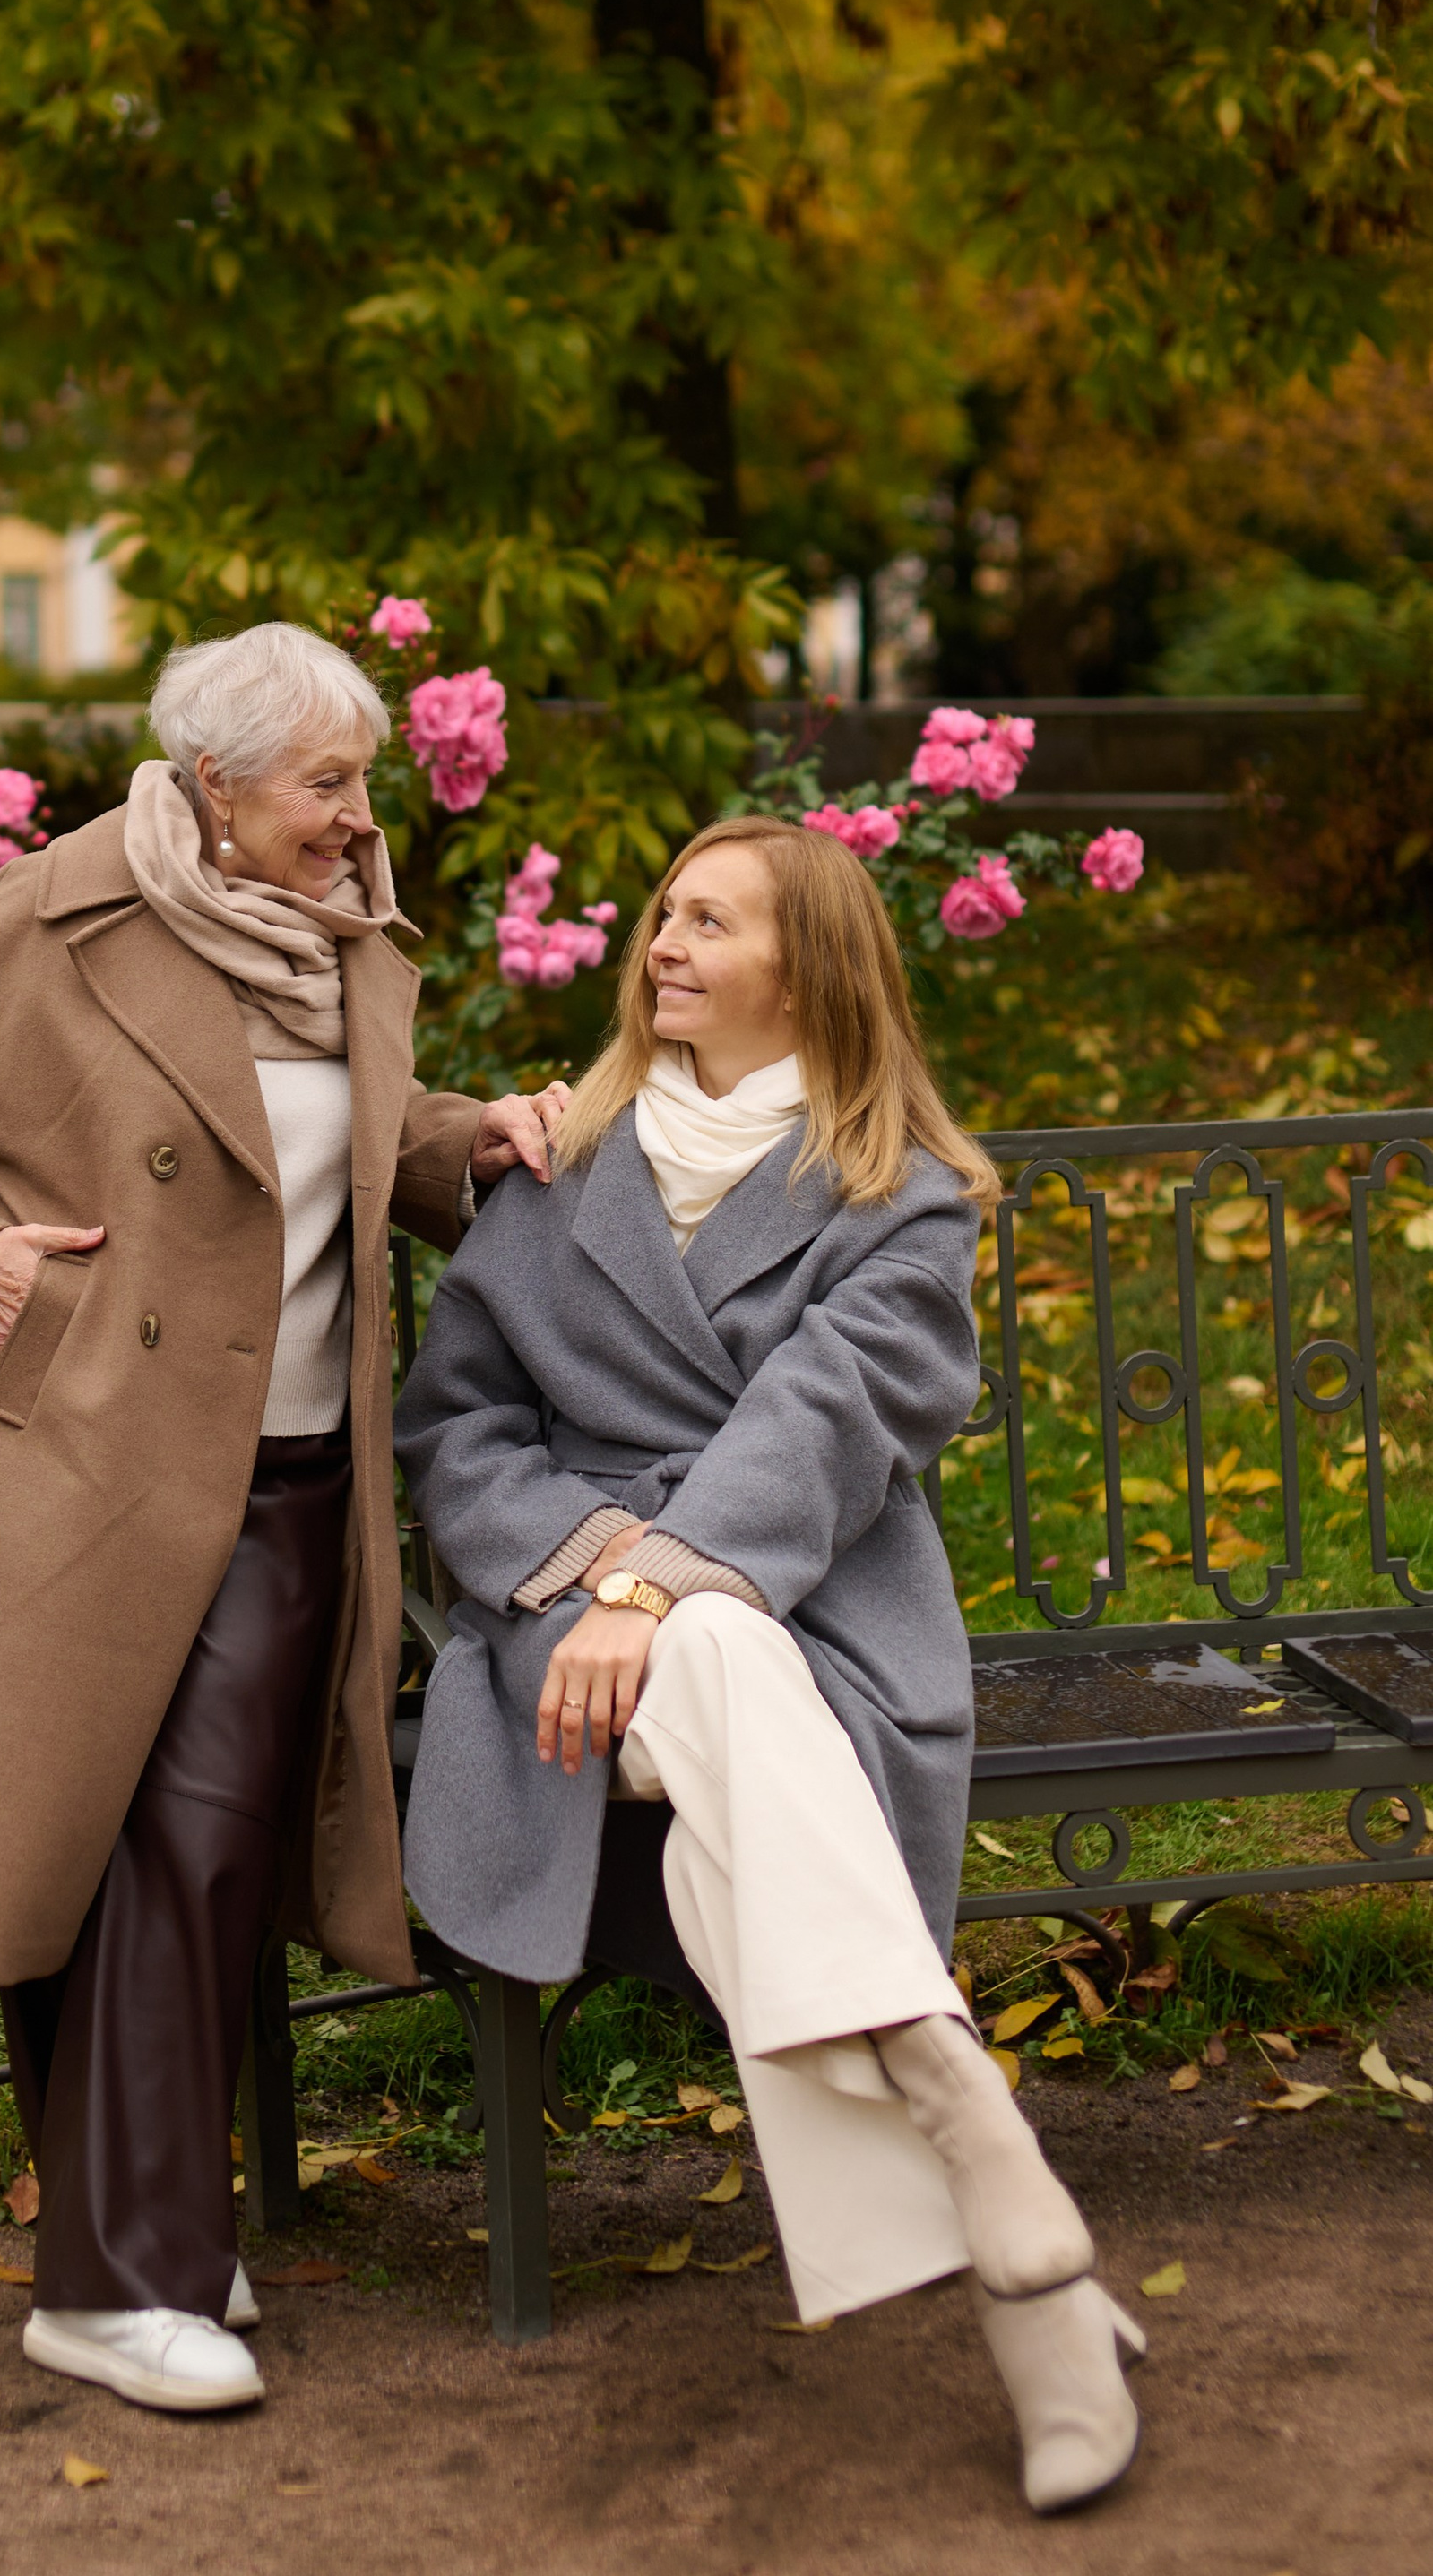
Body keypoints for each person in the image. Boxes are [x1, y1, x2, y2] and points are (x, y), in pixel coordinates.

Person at [0, 620, 563, 2416]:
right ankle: (126, 2264)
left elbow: (339, 1138)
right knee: (88, 1850)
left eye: (365, 779)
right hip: (80, 1461)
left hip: (288, 1469)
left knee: (193, 1847)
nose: (358, 815)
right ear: (213, 786)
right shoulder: (55, 917)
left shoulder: (332, 936)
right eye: (325, 782)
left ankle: (124, 2241)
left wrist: (467, 1143)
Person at [395, 814, 1145, 2516]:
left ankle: (1019, 2259)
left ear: (806, 972)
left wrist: (664, 1589)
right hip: (569, 1628)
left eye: (712, 923)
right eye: (664, 915)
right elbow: (458, 1433)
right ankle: (980, 2147)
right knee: (712, 1654)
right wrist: (607, 1574)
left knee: (723, 1668)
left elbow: (832, 1416)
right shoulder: (556, 1167)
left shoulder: (898, 1192)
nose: (664, 943)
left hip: (816, 1610)